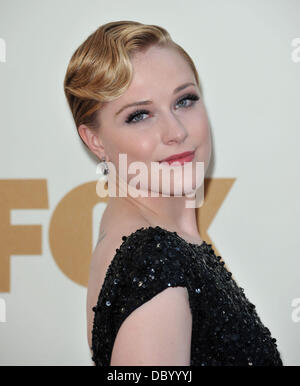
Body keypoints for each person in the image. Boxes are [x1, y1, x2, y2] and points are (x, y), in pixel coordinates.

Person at [63, 20, 283, 366]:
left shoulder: (159, 244)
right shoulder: (151, 258)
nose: (176, 131)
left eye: (184, 101)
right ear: (94, 140)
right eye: (139, 116)